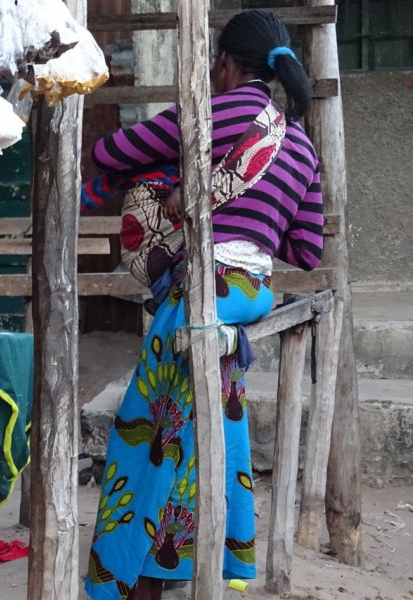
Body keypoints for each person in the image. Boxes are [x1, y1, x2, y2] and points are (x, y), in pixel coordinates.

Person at [84, 11, 324, 600]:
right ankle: (193, 569)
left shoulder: (215, 111)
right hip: (244, 299)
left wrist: (170, 182)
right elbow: (307, 245)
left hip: (198, 291)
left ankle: (133, 585)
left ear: (222, 62)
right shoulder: (301, 144)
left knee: (148, 443)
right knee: (201, 433)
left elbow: (113, 150)